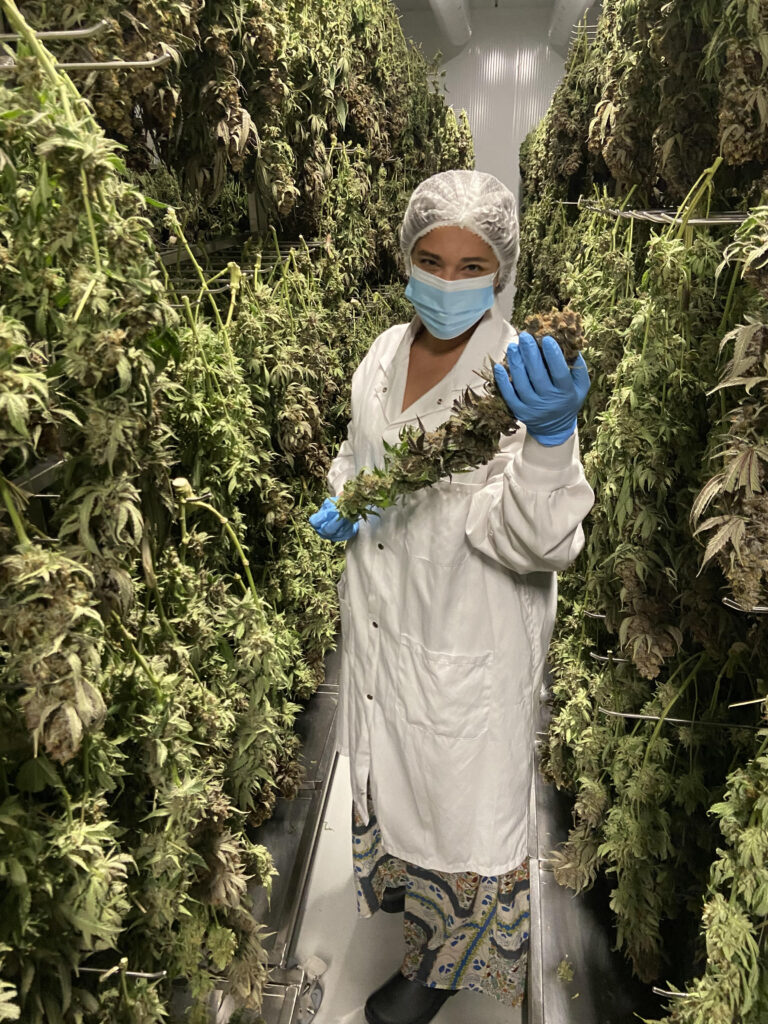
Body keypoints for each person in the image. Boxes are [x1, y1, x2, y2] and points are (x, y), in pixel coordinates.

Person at [309, 169, 594, 1024]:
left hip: (465, 652)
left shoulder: (517, 378)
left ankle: (434, 979)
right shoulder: (384, 353)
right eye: (430, 259)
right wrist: (344, 494)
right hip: (384, 641)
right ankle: (412, 925)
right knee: (398, 800)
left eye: (472, 266)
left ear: (503, 273)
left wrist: (551, 441)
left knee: (458, 819)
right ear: (406, 258)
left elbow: (545, 540)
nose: (447, 280)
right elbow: (365, 454)